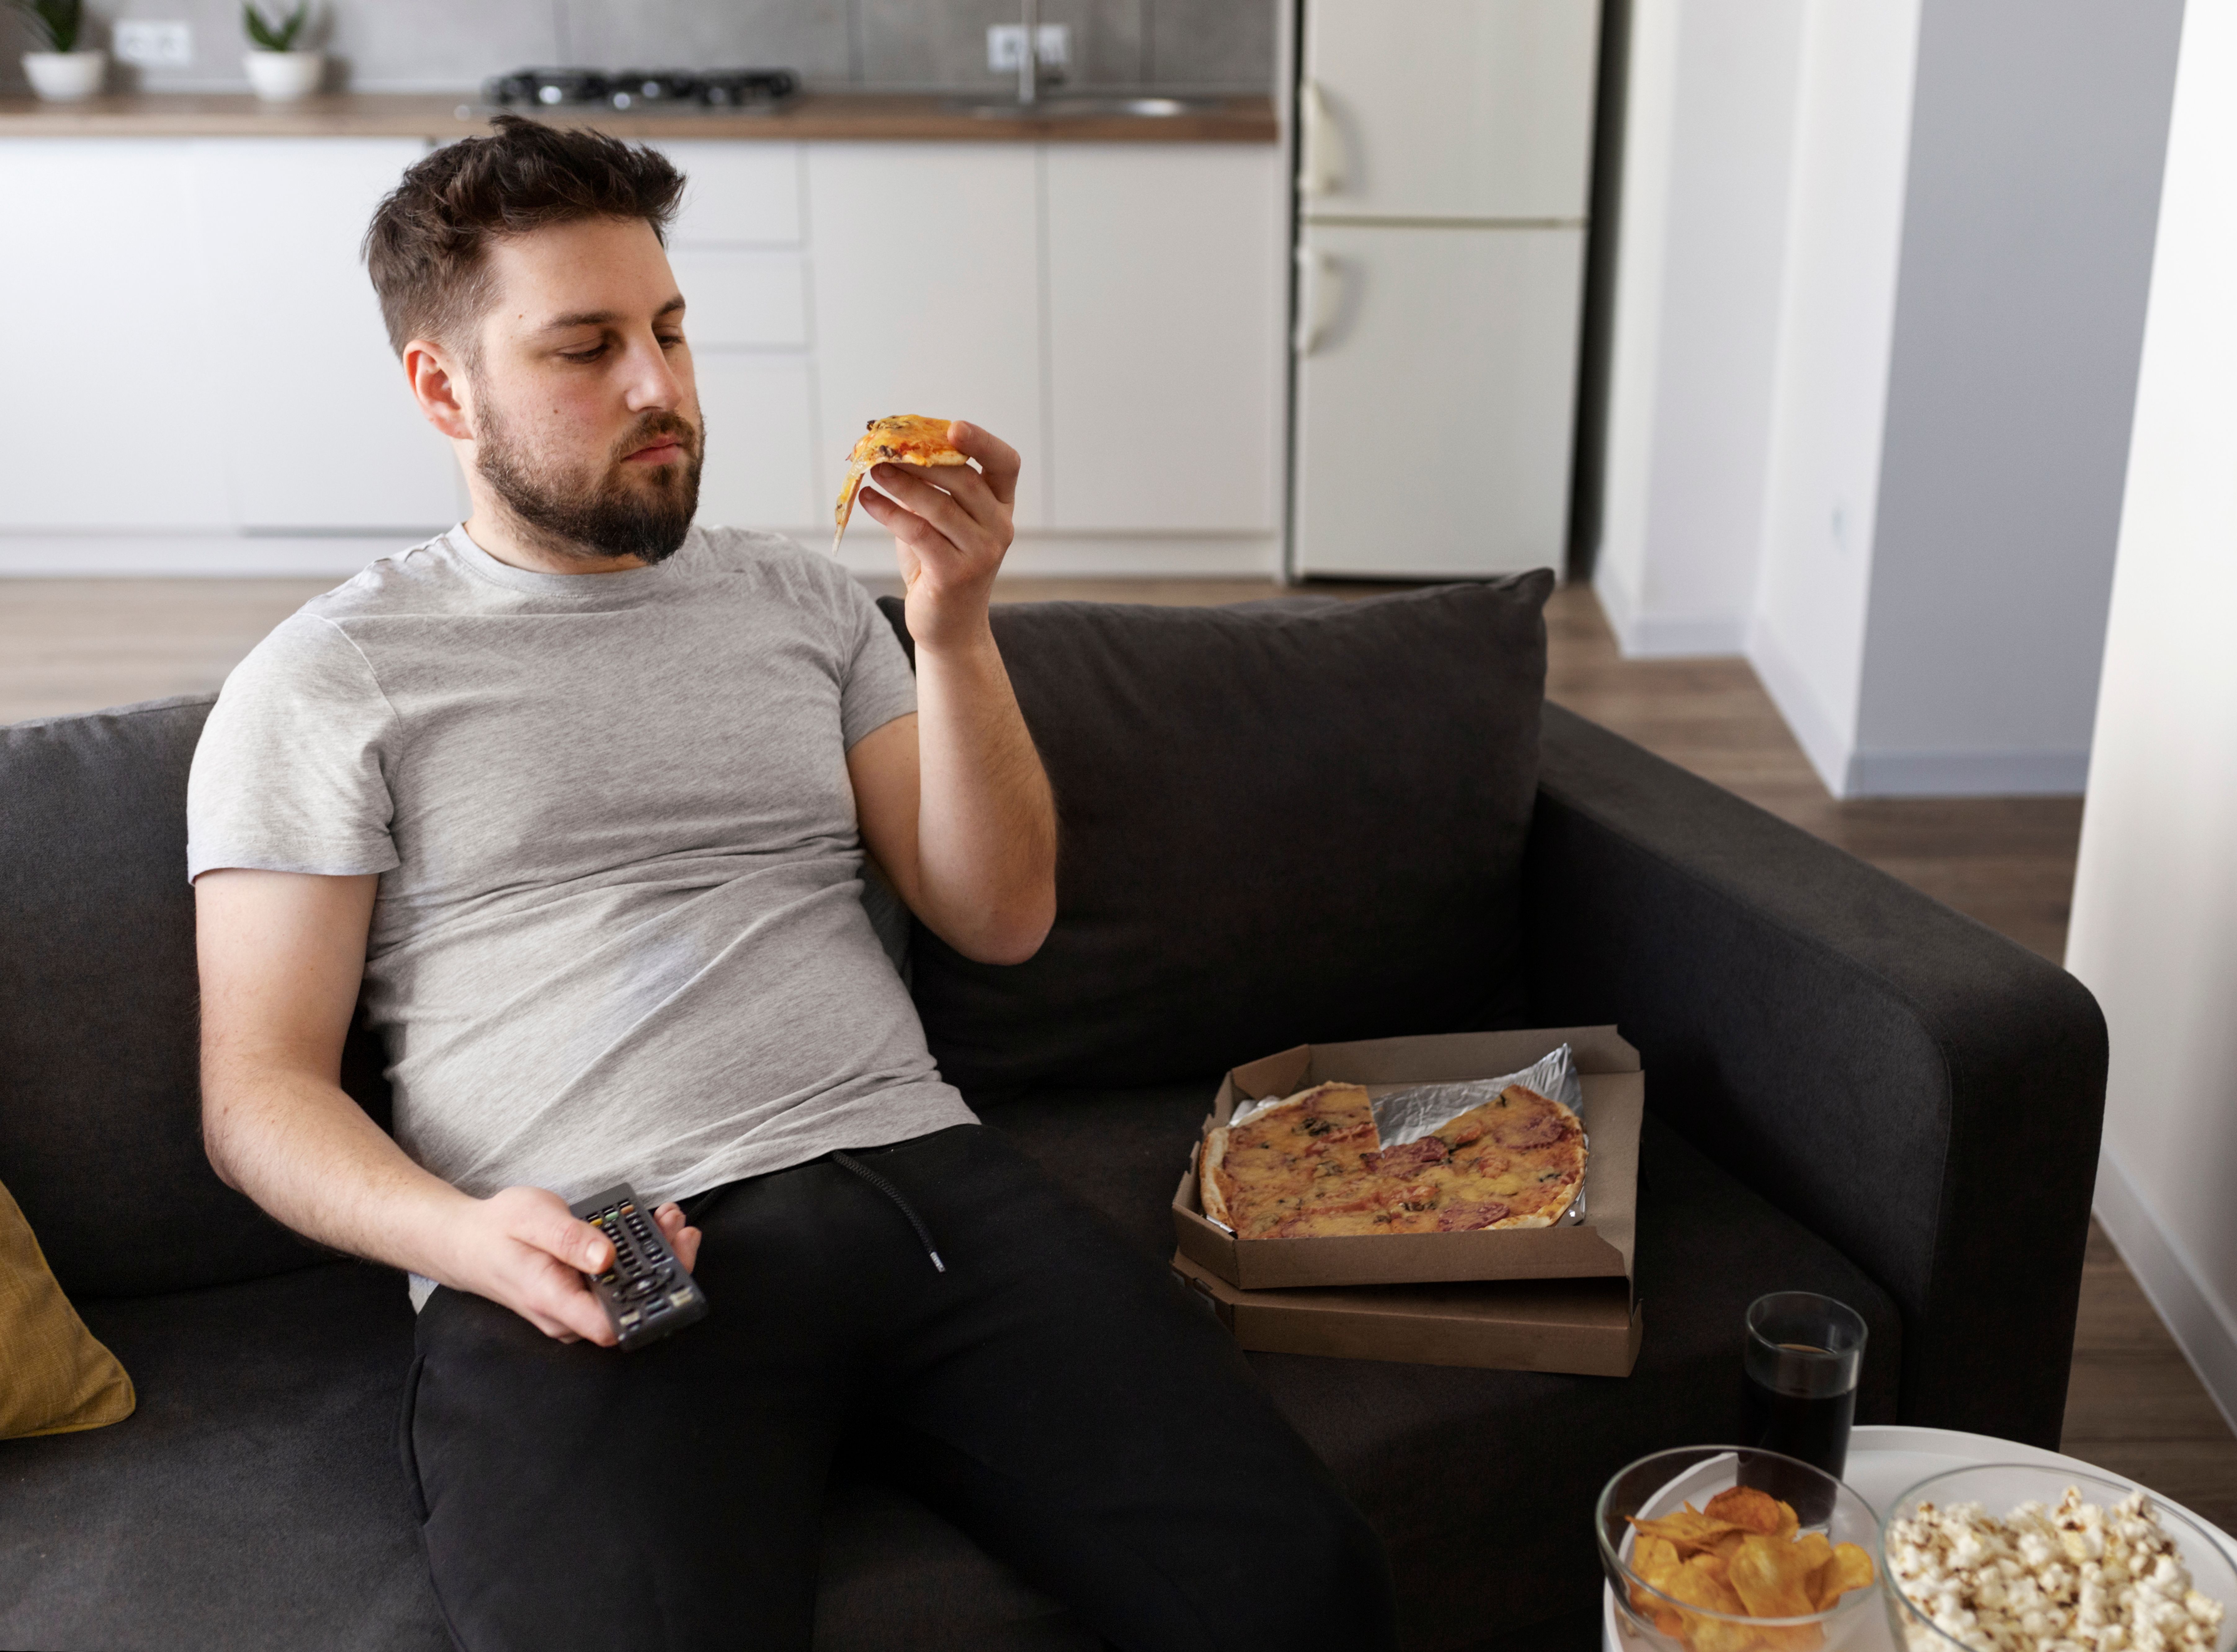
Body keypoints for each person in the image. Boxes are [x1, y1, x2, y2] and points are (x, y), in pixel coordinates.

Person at [189, 115, 1395, 1652]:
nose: (662, 389)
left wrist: (950, 628)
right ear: (444, 389)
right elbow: (257, 1096)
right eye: (587, 349)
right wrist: (471, 1241)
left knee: (1305, 1590)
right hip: (596, 1244)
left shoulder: (803, 605)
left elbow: (998, 913)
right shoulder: (326, 679)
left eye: (672, 332)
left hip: (918, 1181)